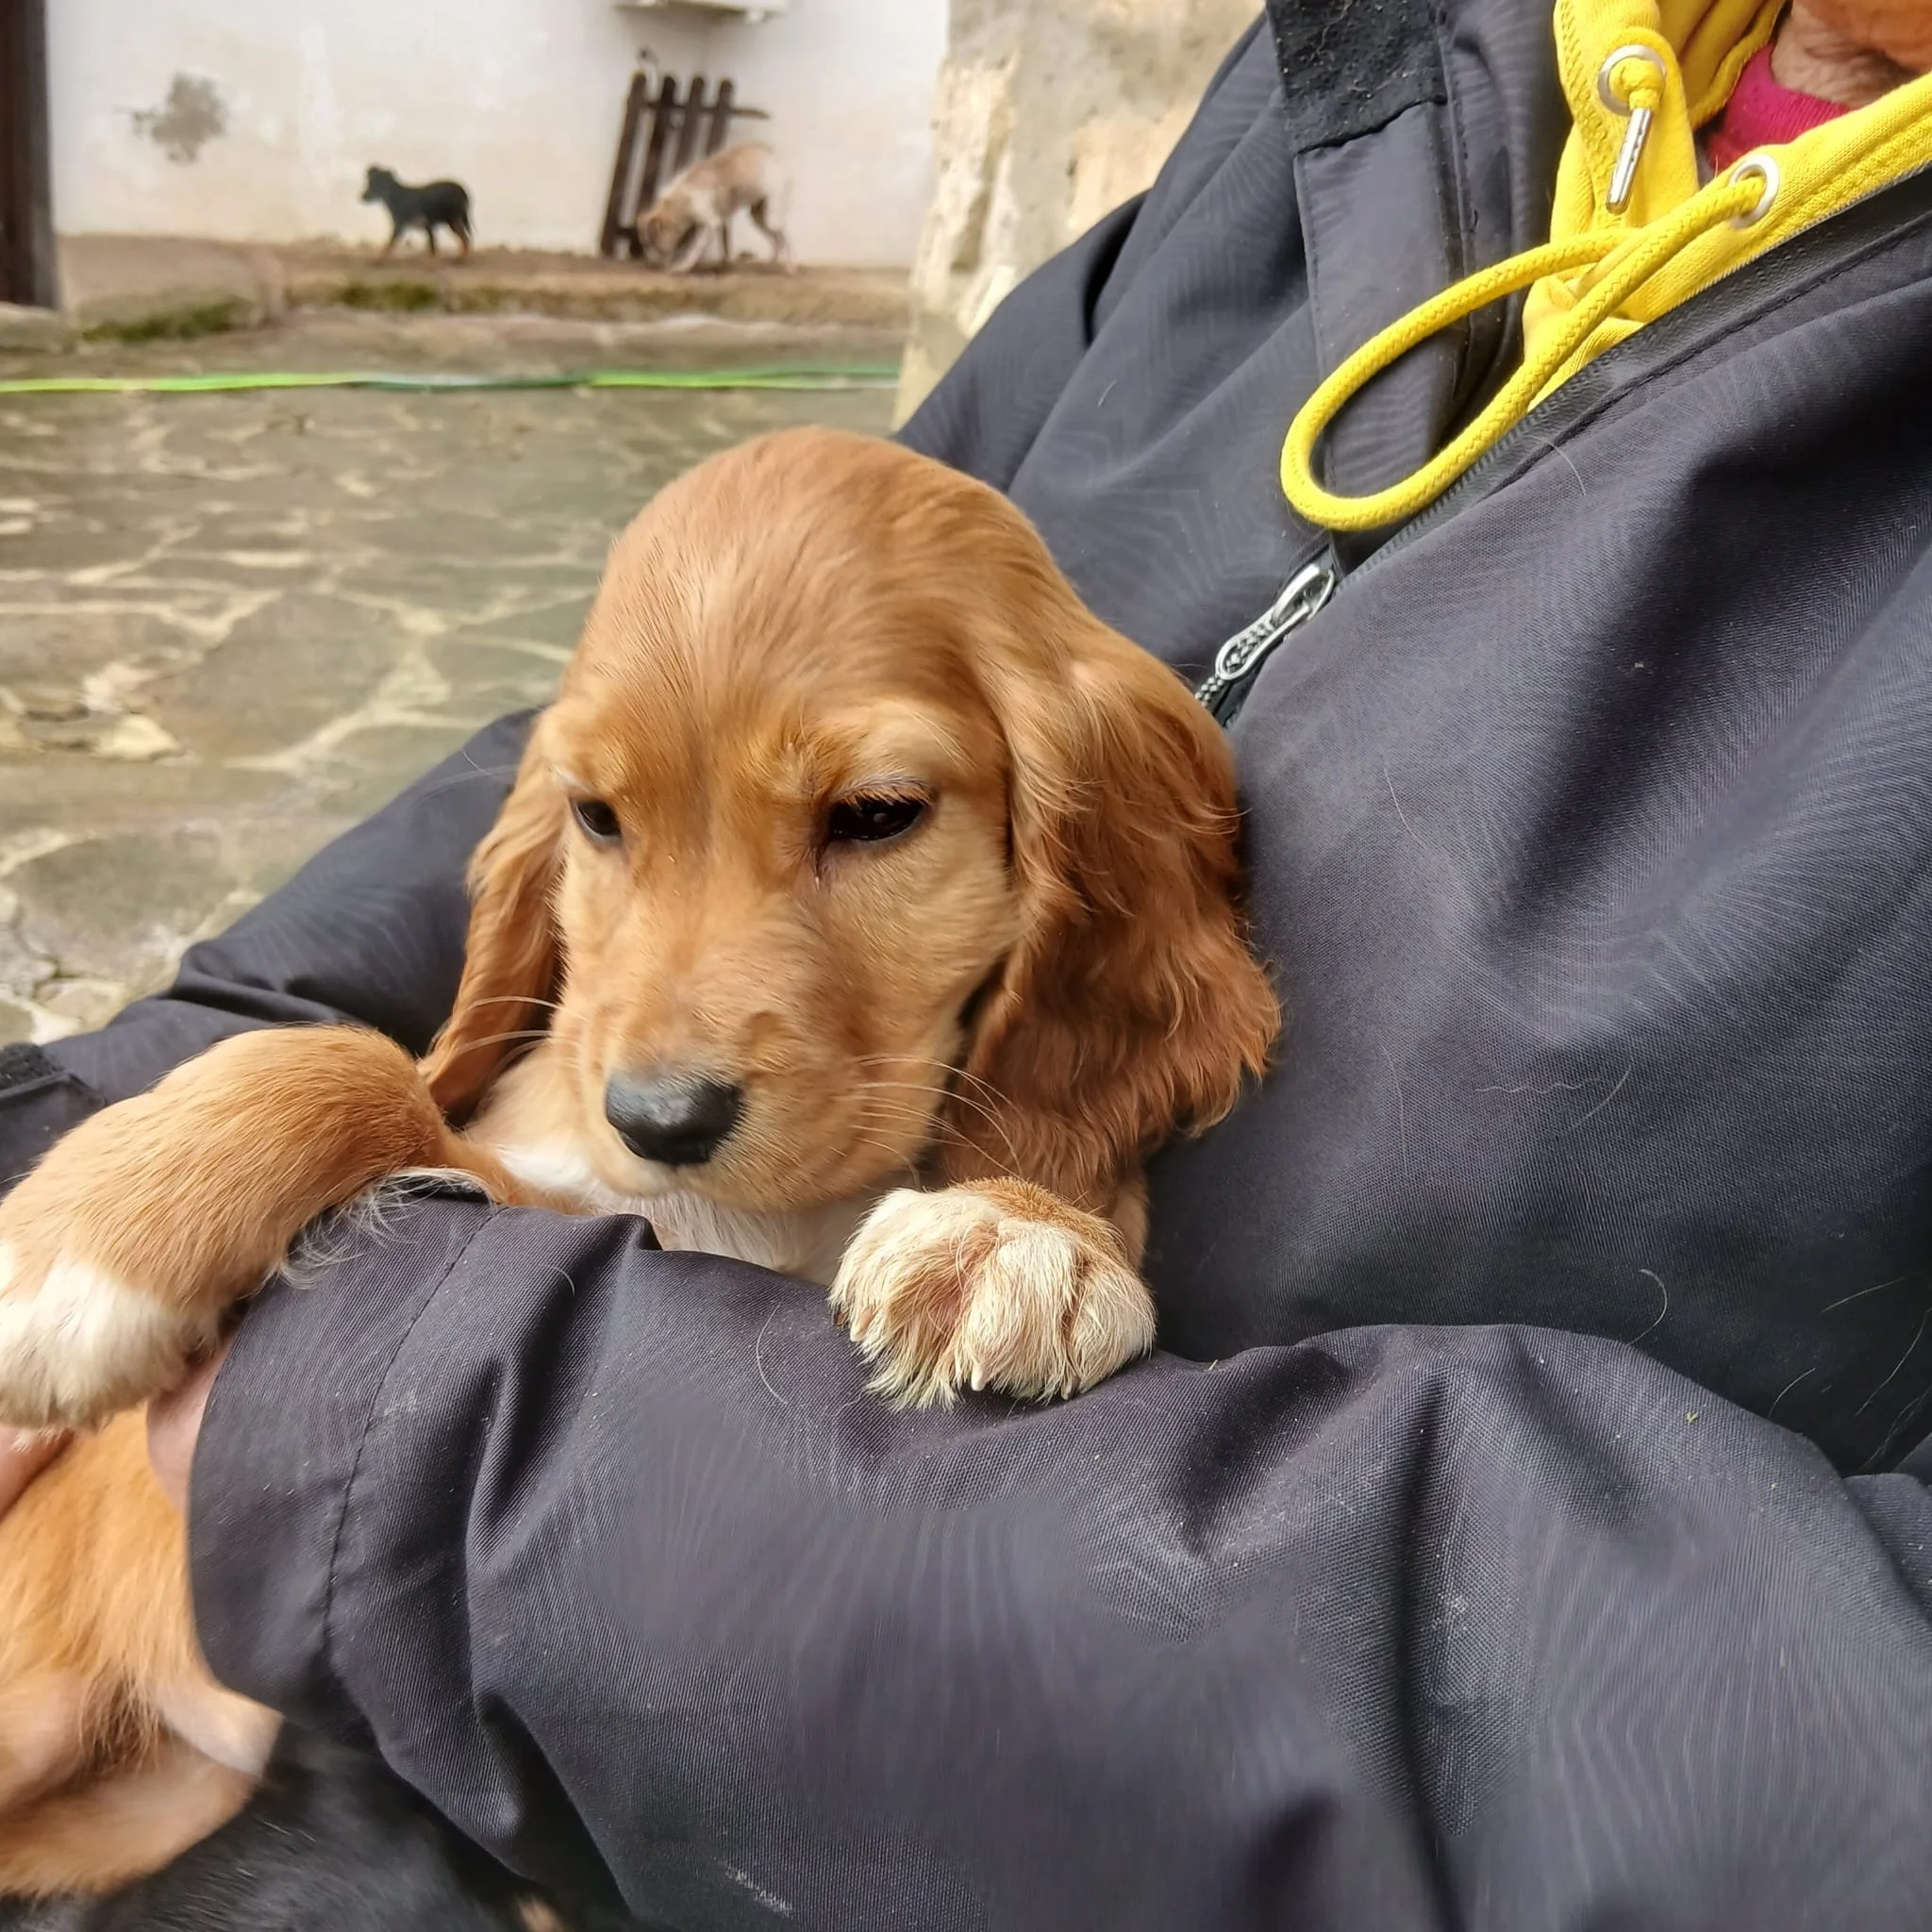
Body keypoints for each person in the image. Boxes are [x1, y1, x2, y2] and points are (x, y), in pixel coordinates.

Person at [7, 0, 1932, 1924]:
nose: (663, 1061)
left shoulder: (1082, 921)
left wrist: (475, 1445)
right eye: (605, 837)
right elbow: (656, 733)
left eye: (867, 825)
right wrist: (146, 1099)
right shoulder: (1391, 55)